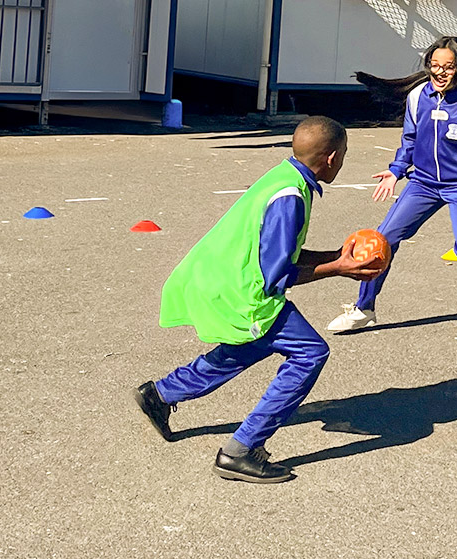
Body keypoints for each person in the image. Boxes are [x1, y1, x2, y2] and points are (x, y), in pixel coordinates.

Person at [134, 117, 382, 484]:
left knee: (247, 347)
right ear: (331, 158)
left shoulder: (284, 176)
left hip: (221, 278)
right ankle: (241, 451)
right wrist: (339, 268)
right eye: (344, 155)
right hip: (244, 291)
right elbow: (277, 275)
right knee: (310, 352)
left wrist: (335, 255)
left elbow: (283, 254)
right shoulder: (292, 198)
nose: (343, 163)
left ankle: (160, 394)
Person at [328, 36, 457, 345]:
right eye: (434, 66)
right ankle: (364, 308)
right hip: (424, 183)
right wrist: (395, 170)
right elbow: (410, 140)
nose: (440, 72)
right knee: (383, 239)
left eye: (448, 67)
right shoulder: (418, 97)